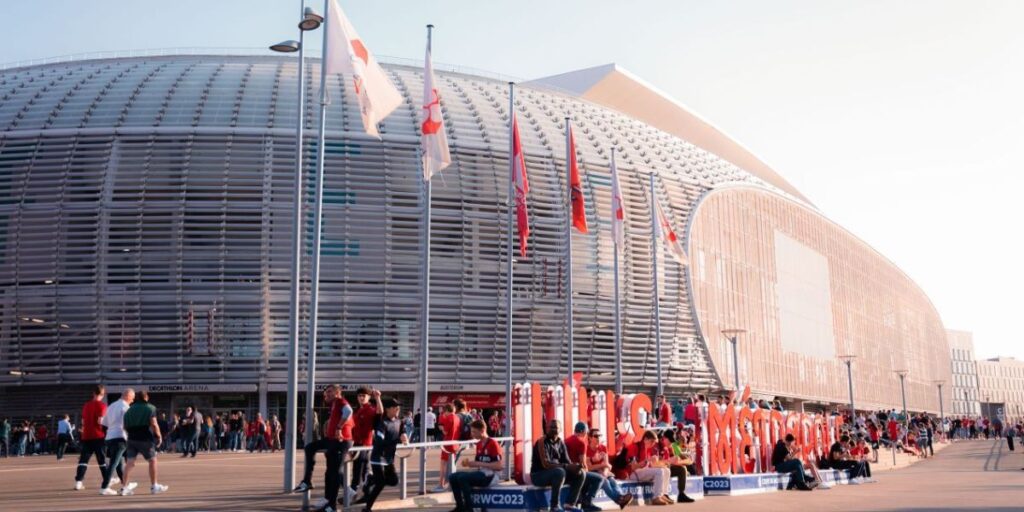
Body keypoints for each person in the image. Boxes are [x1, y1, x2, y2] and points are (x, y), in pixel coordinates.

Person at [301, 384, 354, 512]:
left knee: (334, 473)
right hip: (331, 440)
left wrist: (338, 428)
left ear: (337, 393)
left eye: (329, 392)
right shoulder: (334, 404)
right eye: (326, 393)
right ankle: (307, 481)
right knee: (310, 448)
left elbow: (349, 411)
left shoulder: (341, 402)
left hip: (342, 441)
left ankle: (333, 505)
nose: (326, 395)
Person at [358, 391, 408, 511]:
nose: (397, 409)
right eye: (395, 407)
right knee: (380, 484)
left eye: (398, 407)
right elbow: (380, 441)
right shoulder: (382, 423)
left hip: (389, 458)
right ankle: (367, 508)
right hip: (378, 458)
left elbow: (402, 432)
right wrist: (398, 440)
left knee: (393, 481)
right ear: (388, 409)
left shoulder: (399, 421)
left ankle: (371, 479)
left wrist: (404, 436)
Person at [530, 420, 587, 511]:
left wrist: (575, 466)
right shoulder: (541, 442)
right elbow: (546, 464)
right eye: (550, 427)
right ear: (546, 429)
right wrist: (566, 466)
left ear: (560, 429)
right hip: (538, 475)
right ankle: (554, 506)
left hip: (556, 473)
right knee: (560, 472)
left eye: (555, 427)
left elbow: (567, 462)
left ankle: (570, 503)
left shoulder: (561, 442)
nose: (552, 429)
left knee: (581, 473)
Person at [449, 419, 504, 512]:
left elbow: (499, 466)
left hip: (492, 475)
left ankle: (469, 508)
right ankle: (460, 507)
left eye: (474, 432)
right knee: (452, 477)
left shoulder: (492, 443)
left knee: (462, 478)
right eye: (472, 431)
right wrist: (470, 463)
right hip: (482, 473)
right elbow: (478, 463)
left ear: (482, 431)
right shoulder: (479, 444)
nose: (472, 434)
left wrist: (478, 463)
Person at [121, 391, 169, 495]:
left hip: (131, 438)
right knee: (152, 461)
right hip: (145, 438)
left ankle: (124, 487)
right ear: (146, 397)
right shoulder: (150, 408)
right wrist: (159, 436)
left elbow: (124, 426)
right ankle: (154, 486)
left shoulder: (129, 409)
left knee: (129, 463)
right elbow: (154, 424)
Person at [584, 428, 633, 509]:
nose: (598, 438)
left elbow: (607, 465)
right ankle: (619, 500)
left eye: (600, 436)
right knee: (605, 481)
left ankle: (621, 497)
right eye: (596, 436)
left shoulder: (603, 447)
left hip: (603, 472)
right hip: (593, 473)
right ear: (590, 438)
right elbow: (589, 467)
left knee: (612, 481)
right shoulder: (586, 449)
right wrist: (602, 466)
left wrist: (605, 472)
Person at [99, 388, 135, 495]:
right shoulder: (126, 407)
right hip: (120, 437)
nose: (132, 401)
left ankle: (126, 486)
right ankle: (104, 487)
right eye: (132, 398)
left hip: (110, 437)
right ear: (128, 396)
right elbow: (128, 424)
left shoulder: (111, 406)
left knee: (119, 464)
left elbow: (104, 423)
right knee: (114, 463)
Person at [564, 422, 606, 512]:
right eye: (586, 433)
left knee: (588, 477)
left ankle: (583, 502)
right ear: (583, 431)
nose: (586, 435)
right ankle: (587, 502)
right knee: (599, 478)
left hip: (565, 472)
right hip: (575, 473)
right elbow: (583, 464)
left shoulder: (566, 440)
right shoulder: (581, 443)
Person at [75, 384, 110, 490]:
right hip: (98, 435)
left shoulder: (86, 405)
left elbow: (83, 421)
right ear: (103, 394)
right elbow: (101, 421)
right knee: (102, 460)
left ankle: (78, 482)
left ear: (93, 393)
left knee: (84, 460)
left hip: (87, 435)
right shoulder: (103, 406)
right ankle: (106, 480)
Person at [351, 387, 376, 496]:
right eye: (359, 396)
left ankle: (352, 493)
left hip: (364, 444)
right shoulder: (358, 409)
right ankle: (366, 493)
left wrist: (378, 398)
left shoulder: (370, 409)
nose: (361, 398)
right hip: (357, 443)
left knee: (358, 469)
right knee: (362, 469)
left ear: (369, 397)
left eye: (363, 396)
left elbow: (380, 413)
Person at [659, 429, 696, 503]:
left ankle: (681, 494)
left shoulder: (672, 446)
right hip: (659, 468)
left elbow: (689, 460)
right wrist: (671, 461)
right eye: (669, 440)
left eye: (672, 441)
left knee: (683, 468)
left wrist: (678, 462)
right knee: (680, 468)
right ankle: (663, 494)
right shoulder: (658, 446)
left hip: (668, 467)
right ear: (664, 438)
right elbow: (657, 462)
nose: (671, 443)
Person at [436, 403, 461, 492]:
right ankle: (452, 483)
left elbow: (446, 432)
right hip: (455, 443)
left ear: (446, 410)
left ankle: (441, 484)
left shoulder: (449, 418)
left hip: (447, 443)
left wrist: (442, 428)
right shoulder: (457, 418)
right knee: (452, 465)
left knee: (443, 465)